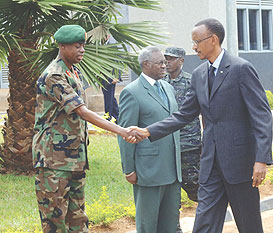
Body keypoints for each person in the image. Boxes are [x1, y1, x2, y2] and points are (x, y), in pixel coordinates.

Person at [133, 18, 273, 233]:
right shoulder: (199, 74)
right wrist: (149, 131)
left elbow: (261, 116)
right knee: (204, 225)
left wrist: (261, 160)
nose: (194, 47)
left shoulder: (241, 69)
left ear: (213, 40)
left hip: (240, 164)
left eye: (197, 41)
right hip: (210, 163)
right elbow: (184, 114)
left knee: (249, 225)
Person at [32, 25, 139, 233]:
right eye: (76, 46)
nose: (82, 50)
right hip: (54, 160)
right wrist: (122, 130)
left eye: (83, 45)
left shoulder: (74, 71)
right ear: (62, 47)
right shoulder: (54, 75)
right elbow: (82, 111)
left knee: (78, 219)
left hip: (74, 158)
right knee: (55, 221)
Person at [117, 46, 182, 233]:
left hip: (172, 169)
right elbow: (125, 134)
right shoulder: (132, 92)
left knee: (169, 224)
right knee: (148, 225)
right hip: (148, 171)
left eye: (165, 62)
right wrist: (129, 169)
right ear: (146, 64)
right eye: (160, 62)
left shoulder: (168, 88)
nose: (165, 66)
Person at [164, 47, 202, 233]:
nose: (167, 62)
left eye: (171, 59)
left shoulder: (191, 81)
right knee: (171, 193)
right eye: (165, 59)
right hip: (167, 146)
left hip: (189, 145)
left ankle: (208, 221)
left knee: (194, 185)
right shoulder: (161, 82)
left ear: (181, 60)